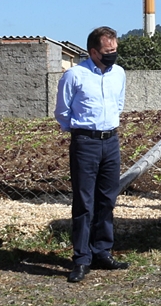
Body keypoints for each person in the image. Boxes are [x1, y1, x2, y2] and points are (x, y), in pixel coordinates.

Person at [55, 26, 130, 282]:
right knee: (84, 203)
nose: (113, 55)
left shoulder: (118, 74)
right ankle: (81, 258)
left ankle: (102, 252)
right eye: (108, 51)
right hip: (85, 142)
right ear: (93, 51)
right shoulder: (74, 76)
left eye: (115, 50)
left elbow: (119, 103)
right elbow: (62, 112)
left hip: (111, 141)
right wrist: (80, 132)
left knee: (107, 199)